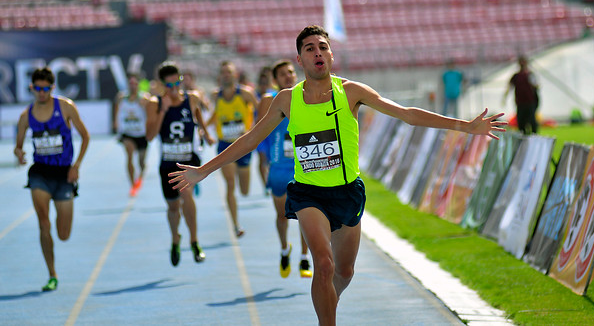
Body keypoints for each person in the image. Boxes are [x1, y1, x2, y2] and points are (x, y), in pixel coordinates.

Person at [169, 25, 506, 325]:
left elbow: (407, 114)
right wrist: (204, 170)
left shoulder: (352, 92)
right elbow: (250, 140)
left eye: (322, 47)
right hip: (308, 194)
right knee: (325, 265)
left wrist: (466, 126)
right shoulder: (287, 100)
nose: (318, 52)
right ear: (299, 60)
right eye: (309, 48)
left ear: (331, 55)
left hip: (347, 193)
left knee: (344, 272)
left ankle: (327, 305)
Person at [13, 67, 90, 292]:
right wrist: (19, 153)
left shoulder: (65, 107)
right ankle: (52, 274)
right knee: (43, 223)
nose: (42, 93)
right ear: (32, 88)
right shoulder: (25, 116)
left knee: (63, 234)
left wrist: (76, 165)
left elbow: (85, 136)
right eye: (37, 89)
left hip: (64, 174)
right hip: (40, 174)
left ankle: (58, 242)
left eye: (46, 89)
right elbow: (18, 145)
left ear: (52, 88)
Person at [146, 61, 212, 266]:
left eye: (178, 84)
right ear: (162, 86)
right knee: (173, 207)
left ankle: (194, 240)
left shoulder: (191, 99)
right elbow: (149, 136)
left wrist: (206, 135)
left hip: (188, 159)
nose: (175, 90)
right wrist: (163, 111)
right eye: (170, 86)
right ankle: (176, 238)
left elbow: (198, 117)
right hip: (167, 162)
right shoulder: (154, 104)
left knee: (187, 194)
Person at [257, 60, 312, 279]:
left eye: (290, 72)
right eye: (282, 74)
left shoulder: (306, 96)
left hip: (303, 167)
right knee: (282, 215)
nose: (288, 76)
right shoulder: (269, 101)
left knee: (305, 215)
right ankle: (283, 249)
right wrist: (264, 161)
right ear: (275, 79)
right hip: (279, 167)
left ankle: (304, 257)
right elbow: (259, 133)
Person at [205, 61, 258, 237]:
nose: (226, 75)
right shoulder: (215, 95)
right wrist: (204, 129)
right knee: (230, 185)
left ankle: (236, 219)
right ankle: (235, 225)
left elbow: (262, 112)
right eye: (223, 72)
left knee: (244, 189)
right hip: (225, 144)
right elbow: (216, 115)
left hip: (244, 144)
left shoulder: (245, 94)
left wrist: (254, 131)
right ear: (220, 76)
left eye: (229, 72)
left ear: (235, 75)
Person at [113, 72, 150, 197]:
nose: (133, 86)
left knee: (141, 162)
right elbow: (117, 110)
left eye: (135, 83)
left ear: (138, 84)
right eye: (131, 83)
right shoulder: (122, 98)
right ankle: (132, 184)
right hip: (127, 133)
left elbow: (150, 111)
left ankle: (140, 177)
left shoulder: (144, 98)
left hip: (141, 133)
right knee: (129, 156)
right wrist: (116, 124)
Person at [255, 66, 278, 194]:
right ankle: (265, 184)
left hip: (272, 134)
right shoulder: (255, 95)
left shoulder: (274, 94)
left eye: (266, 82)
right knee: (262, 159)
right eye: (262, 83)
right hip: (260, 133)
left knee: (272, 159)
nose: (264, 85)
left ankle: (272, 179)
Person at [504, 56, 539, 135]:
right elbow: (509, 87)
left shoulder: (530, 75)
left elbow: (536, 86)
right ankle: (523, 137)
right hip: (520, 103)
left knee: (531, 120)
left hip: (530, 102)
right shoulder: (516, 76)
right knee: (521, 122)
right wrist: (505, 98)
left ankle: (533, 136)